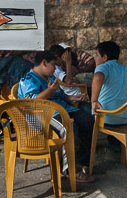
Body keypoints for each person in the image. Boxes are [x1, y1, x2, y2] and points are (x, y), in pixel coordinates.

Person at [17, 51, 95, 182]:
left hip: (62, 109)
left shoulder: (51, 77)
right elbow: (32, 101)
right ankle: (68, 169)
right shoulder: (28, 79)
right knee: (69, 126)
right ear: (44, 63)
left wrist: (72, 97)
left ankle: (81, 162)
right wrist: (50, 90)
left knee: (88, 120)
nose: (55, 68)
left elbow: (60, 95)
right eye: (53, 65)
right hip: (42, 115)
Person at [91, 41, 127, 125]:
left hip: (107, 117)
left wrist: (94, 101)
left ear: (104, 57)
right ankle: (114, 137)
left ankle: (95, 137)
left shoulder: (103, 67)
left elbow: (98, 76)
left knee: (83, 108)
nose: (95, 58)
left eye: (96, 55)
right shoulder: (126, 68)